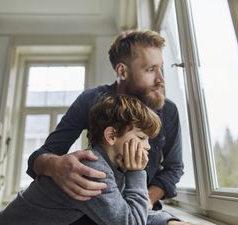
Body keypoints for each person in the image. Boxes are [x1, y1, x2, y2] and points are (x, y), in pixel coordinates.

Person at [27, 30, 185, 221]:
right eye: (150, 70)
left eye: (161, 69)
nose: (161, 79)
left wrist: (145, 200)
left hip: (142, 208)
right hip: (95, 210)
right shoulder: (90, 99)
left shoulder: (168, 111)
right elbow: (42, 154)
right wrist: (53, 165)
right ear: (122, 71)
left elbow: (173, 169)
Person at [0, 95, 182, 225]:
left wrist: (167, 220)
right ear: (112, 135)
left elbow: (128, 210)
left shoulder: (112, 169)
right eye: (141, 138)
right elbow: (131, 222)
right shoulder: (92, 170)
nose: (148, 146)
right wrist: (137, 173)